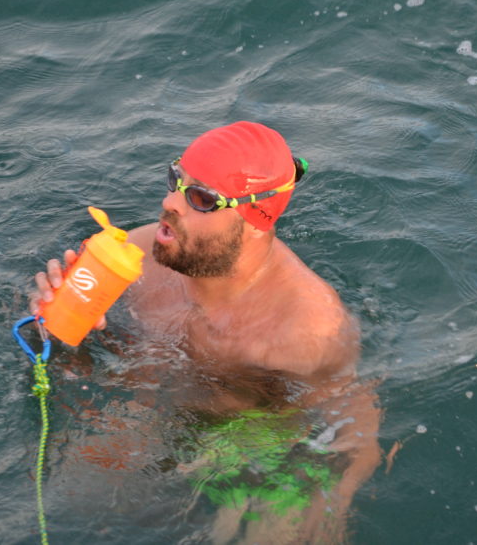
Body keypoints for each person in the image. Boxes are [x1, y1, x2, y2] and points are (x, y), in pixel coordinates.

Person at [30, 121, 380, 544]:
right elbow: (61, 352)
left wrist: (330, 504)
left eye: (200, 199)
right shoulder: (141, 254)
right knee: (76, 498)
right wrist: (53, 320)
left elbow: (356, 426)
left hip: (248, 452)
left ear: (255, 220)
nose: (168, 202)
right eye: (176, 180)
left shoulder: (304, 333)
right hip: (147, 420)